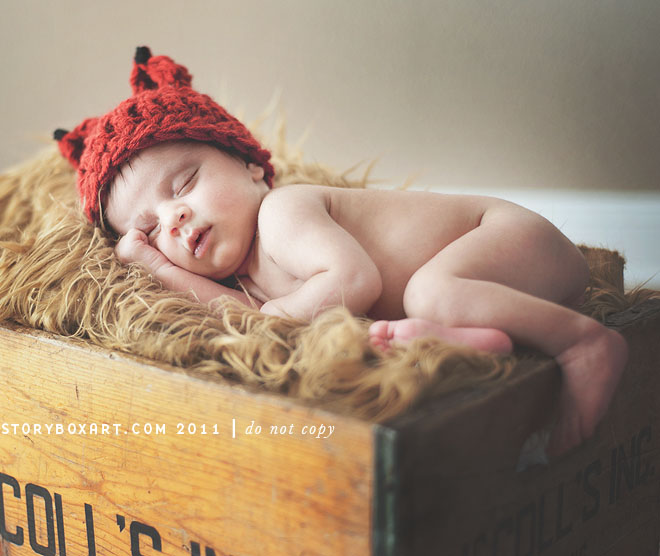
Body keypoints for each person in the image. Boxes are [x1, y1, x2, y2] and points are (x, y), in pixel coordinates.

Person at [54, 47, 627, 456]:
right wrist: (153, 265)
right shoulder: (247, 277)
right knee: (402, 328)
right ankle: (482, 343)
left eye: (182, 186)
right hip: (489, 292)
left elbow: (355, 283)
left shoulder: (283, 213)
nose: (174, 220)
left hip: (505, 236)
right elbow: (236, 316)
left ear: (251, 164)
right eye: (150, 229)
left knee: (431, 291)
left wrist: (275, 318)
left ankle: (585, 345)